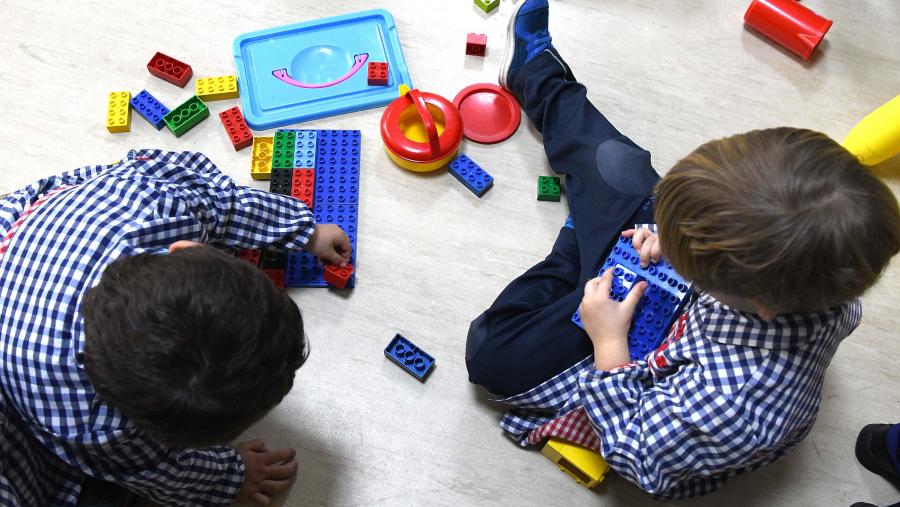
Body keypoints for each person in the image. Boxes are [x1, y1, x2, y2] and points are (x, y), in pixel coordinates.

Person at [466, 0, 900, 498]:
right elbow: (694, 238)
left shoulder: (730, 408)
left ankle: (577, 251)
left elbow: (635, 449)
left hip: (642, 386)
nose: (669, 237)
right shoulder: (821, 274)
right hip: (694, 311)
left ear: (756, 299)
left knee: (490, 355)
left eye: (688, 250)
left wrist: (608, 342)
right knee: (620, 168)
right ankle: (534, 73)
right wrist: (669, 248)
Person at [0, 149, 351, 506]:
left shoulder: (156, 204)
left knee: (203, 193)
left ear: (184, 247)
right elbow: (151, 468)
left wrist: (305, 231)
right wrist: (232, 477)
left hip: (41, 224)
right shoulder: (85, 417)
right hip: (21, 313)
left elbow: (223, 205)